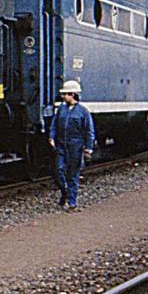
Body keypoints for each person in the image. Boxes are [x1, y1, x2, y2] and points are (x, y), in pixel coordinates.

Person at [49, 79, 95, 213]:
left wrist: (88, 149)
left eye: (65, 94)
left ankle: (72, 203)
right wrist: (52, 137)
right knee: (58, 170)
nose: (63, 97)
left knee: (73, 175)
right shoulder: (61, 109)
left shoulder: (83, 112)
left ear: (73, 95)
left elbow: (89, 131)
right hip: (61, 145)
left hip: (76, 146)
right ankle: (65, 192)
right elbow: (54, 124)